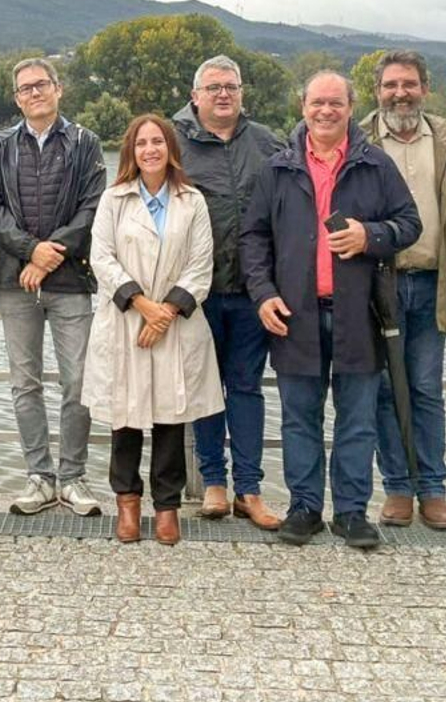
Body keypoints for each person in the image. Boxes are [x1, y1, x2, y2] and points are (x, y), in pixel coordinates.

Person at [240, 71, 421, 550]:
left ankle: (351, 511)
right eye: (317, 102)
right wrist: (263, 293)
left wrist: (370, 235)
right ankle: (304, 508)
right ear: (303, 106)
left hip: (359, 312)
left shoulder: (376, 164)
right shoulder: (277, 168)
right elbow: (253, 237)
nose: (326, 111)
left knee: (357, 418)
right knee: (299, 418)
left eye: (335, 103)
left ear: (350, 107)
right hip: (294, 312)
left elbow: (410, 224)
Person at [82, 115, 222, 545]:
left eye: (157, 142)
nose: (150, 150)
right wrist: (142, 305)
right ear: (131, 151)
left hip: (175, 323)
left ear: (170, 148)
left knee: (170, 418)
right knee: (124, 417)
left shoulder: (192, 201)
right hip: (127, 319)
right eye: (141, 143)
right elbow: (101, 258)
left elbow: (201, 264)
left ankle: (166, 507)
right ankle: (127, 502)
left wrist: (166, 312)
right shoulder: (113, 199)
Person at [0, 57, 107, 517]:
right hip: (17, 280)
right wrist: (32, 251)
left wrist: (52, 253)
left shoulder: (86, 143)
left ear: (58, 88)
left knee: (79, 381)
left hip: (71, 280)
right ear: (17, 99)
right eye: (25, 88)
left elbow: (94, 207)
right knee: (24, 383)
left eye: (41, 84)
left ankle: (72, 478)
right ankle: (39, 476)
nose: (34, 93)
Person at [360, 50, 446, 530]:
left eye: (408, 84)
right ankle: (397, 489)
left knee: (426, 388)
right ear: (377, 91)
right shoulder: (358, 140)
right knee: (386, 390)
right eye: (390, 85)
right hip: (377, 284)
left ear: (425, 88)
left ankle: (433, 489)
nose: (400, 93)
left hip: (433, 281)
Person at [173, 55, 285, 530]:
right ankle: (213, 483)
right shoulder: (173, 142)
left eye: (231, 87)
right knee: (203, 390)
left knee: (245, 388)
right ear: (195, 95)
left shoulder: (267, 143)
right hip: (196, 293)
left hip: (253, 290)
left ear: (242, 93)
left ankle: (250, 489)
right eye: (214, 87)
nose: (223, 95)